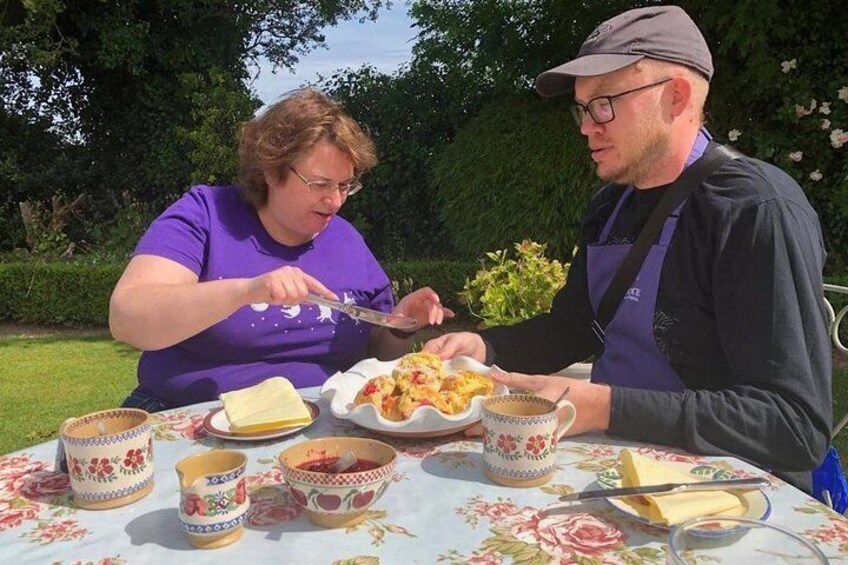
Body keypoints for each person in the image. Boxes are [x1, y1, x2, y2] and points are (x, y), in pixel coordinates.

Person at [424, 5, 832, 492]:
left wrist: (601, 405)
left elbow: (792, 426)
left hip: (729, 499)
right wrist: (488, 346)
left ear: (676, 97)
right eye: (582, 107)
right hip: (617, 477)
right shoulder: (610, 207)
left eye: (605, 103)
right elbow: (574, 327)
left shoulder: (755, 210)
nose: (585, 126)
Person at [110, 88, 452, 411]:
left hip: (317, 420)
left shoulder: (347, 240)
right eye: (319, 184)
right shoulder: (207, 214)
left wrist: (397, 326)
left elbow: (375, 358)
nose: (334, 201)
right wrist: (247, 290)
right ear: (272, 172)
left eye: (345, 186)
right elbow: (128, 318)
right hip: (192, 415)